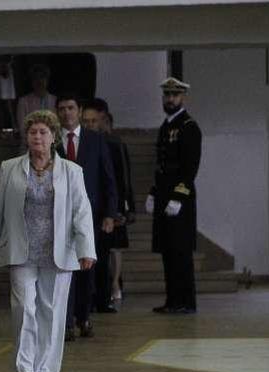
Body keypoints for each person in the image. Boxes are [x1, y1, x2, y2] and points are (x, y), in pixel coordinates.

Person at [0, 110, 95, 372]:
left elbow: (82, 211)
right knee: (23, 308)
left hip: (59, 251)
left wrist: (86, 248)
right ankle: (25, 368)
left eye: (43, 132)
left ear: (53, 136)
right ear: (26, 137)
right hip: (22, 249)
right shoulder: (10, 168)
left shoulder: (71, 171)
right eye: (33, 132)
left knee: (52, 312)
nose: (38, 137)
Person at [55, 93, 117, 340]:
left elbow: (107, 178)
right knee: (64, 270)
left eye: (71, 107)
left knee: (86, 269)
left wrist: (110, 214)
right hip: (59, 217)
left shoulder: (95, 140)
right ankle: (67, 321)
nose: (66, 113)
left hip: (89, 217)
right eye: (62, 108)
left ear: (79, 111)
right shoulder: (51, 141)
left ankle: (84, 317)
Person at [147, 77, 202, 314]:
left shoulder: (189, 127)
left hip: (181, 199)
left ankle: (186, 302)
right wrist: (153, 192)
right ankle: (172, 300)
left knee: (181, 252)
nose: (170, 99)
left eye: (175, 95)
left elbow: (190, 167)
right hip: (163, 197)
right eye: (167, 95)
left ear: (183, 97)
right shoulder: (166, 126)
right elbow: (161, 165)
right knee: (168, 251)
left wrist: (178, 197)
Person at [82, 99, 135, 302]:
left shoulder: (112, 144)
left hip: (108, 208)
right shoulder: (80, 144)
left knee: (108, 252)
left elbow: (121, 178)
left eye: (94, 121)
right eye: (86, 122)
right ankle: (94, 294)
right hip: (89, 207)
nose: (90, 126)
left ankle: (111, 288)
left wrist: (121, 208)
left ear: (102, 121)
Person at [16, 64, 57, 142]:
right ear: (32, 81)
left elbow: (57, 127)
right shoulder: (23, 101)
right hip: (29, 144)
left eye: (42, 77)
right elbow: (22, 129)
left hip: (51, 144)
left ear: (47, 80)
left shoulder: (55, 100)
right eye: (36, 78)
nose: (39, 81)